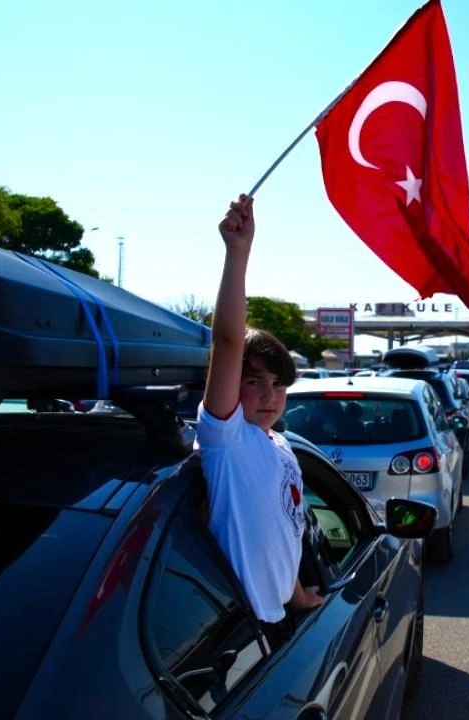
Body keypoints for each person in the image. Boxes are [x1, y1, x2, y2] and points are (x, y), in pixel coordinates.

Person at [196, 193, 323, 649]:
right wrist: (238, 253)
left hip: (278, 622)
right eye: (254, 381)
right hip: (237, 638)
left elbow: (280, 531)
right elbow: (229, 340)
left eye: (279, 382)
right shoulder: (226, 440)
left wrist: (298, 597)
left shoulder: (280, 445)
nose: (269, 394)